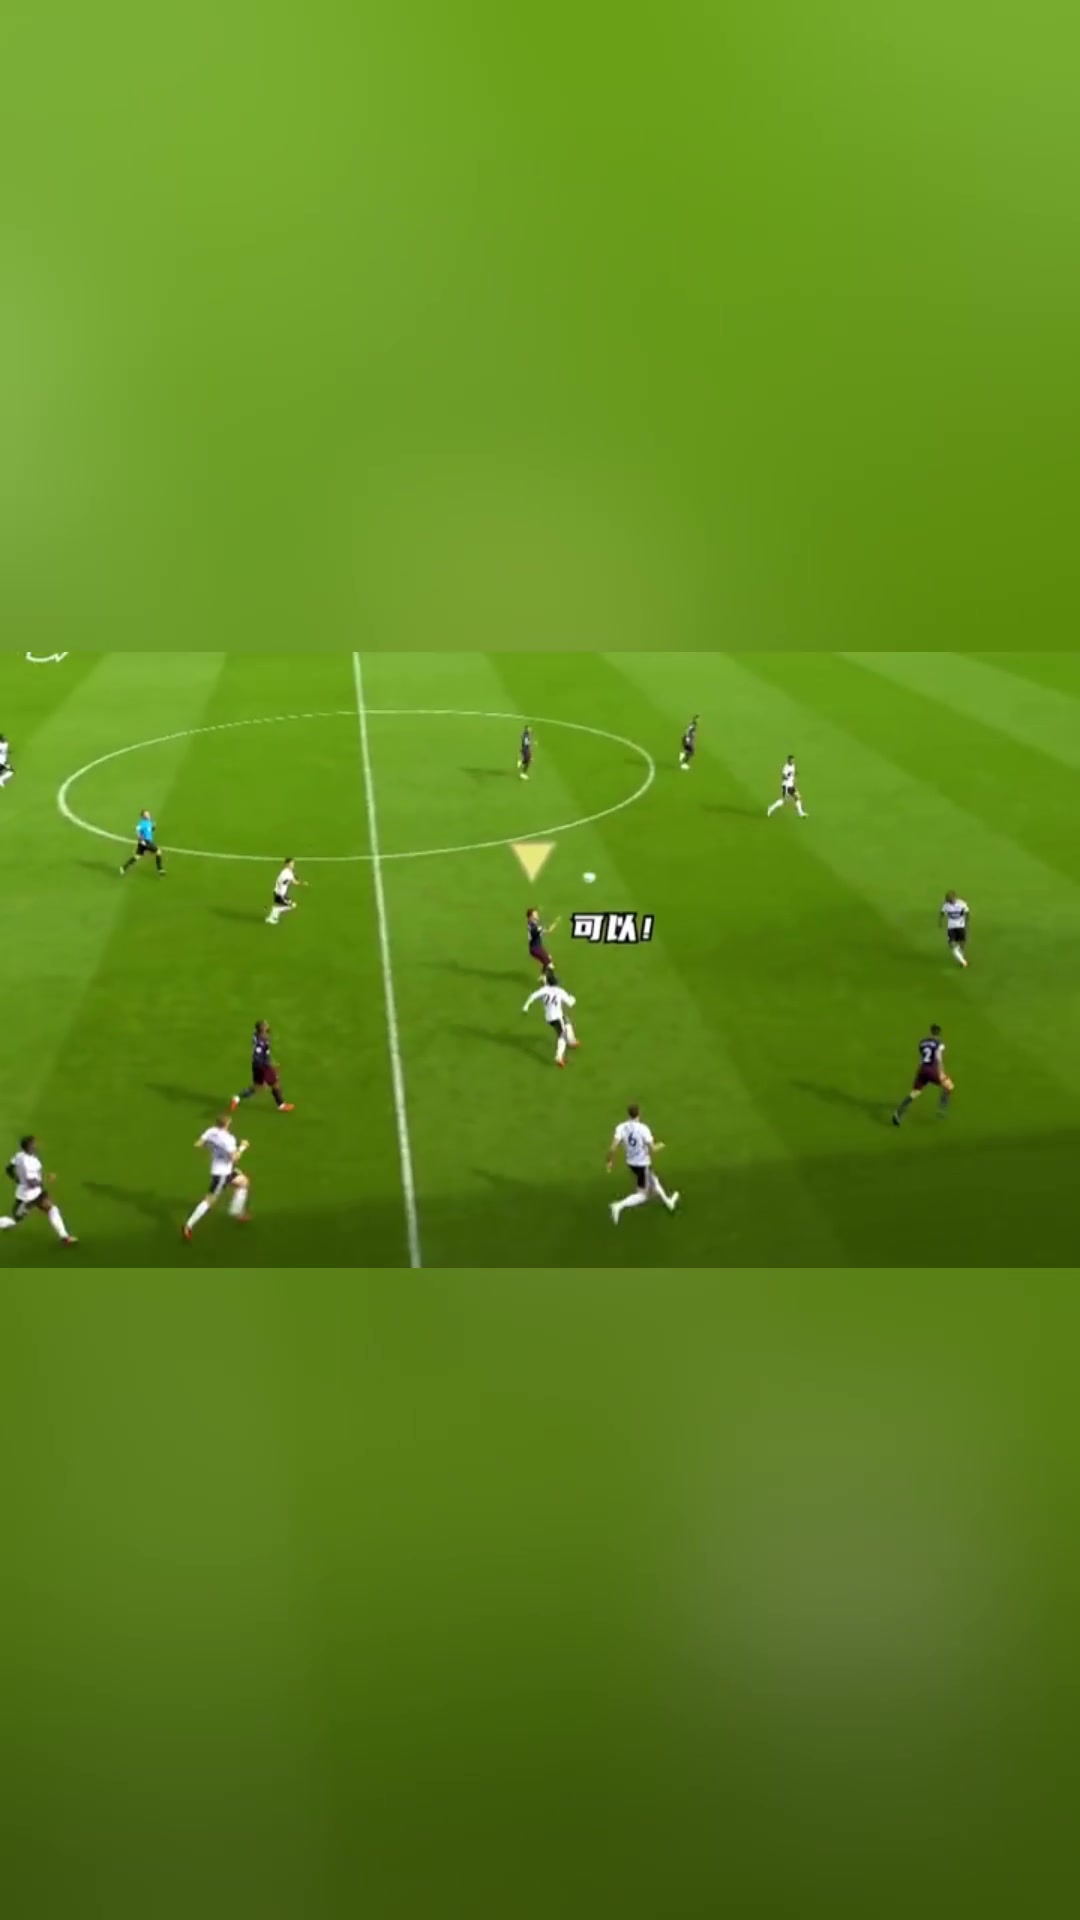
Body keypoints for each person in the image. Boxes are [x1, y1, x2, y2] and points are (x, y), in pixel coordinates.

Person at [606, 1104, 679, 1222]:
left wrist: (609, 1161)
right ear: (639, 1113)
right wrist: (661, 1145)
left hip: (631, 1163)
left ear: (628, 1114)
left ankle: (668, 1202)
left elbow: (613, 1147)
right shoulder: (643, 1129)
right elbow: (653, 1149)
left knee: (654, 1180)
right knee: (643, 1195)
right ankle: (619, 1206)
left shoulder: (621, 1127)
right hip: (642, 1164)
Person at [0, 1135, 77, 1244]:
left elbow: (9, 1169)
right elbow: (32, 1183)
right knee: (14, 1220)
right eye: (34, 1144)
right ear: (29, 1147)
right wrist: (47, 1179)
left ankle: (64, 1237)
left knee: (52, 1209)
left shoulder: (19, 1155)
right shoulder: (29, 1163)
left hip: (38, 1194)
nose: (37, 1145)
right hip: (26, 1198)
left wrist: (18, 1180)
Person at [183, 1117, 251, 1239]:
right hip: (222, 1174)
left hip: (223, 1170)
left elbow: (198, 1143)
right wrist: (242, 1147)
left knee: (244, 1182)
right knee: (210, 1200)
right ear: (227, 1124)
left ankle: (237, 1212)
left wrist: (213, 1146)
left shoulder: (211, 1131)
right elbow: (235, 1158)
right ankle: (188, 1225)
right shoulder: (229, 1139)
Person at [522, 966, 580, 1067]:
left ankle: (572, 1041)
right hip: (557, 1017)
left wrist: (526, 1007)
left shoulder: (544, 990)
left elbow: (532, 996)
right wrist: (573, 998)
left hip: (549, 1018)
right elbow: (571, 1003)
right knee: (562, 1035)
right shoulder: (560, 991)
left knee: (567, 1022)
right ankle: (559, 1057)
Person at [231, 1022, 294, 1112]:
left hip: (258, 1065)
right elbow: (258, 1055)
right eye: (266, 1029)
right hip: (262, 1066)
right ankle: (281, 1105)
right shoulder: (261, 1042)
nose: (268, 1031)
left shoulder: (257, 1036)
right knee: (275, 1082)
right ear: (262, 1031)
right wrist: (269, 1067)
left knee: (258, 1086)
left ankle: (237, 1098)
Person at [120, 809, 165, 875]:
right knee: (158, 851)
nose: (148, 815)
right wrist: (141, 840)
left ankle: (124, 867)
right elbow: (137, 831)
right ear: (143, 816)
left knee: (137, 856)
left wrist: (153, 828)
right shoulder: (142, 823)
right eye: (146, 814)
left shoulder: (149, 822)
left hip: (143, 843)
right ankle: (160, 869)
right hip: (146, 841)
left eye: (148, 814)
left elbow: (149, 831)